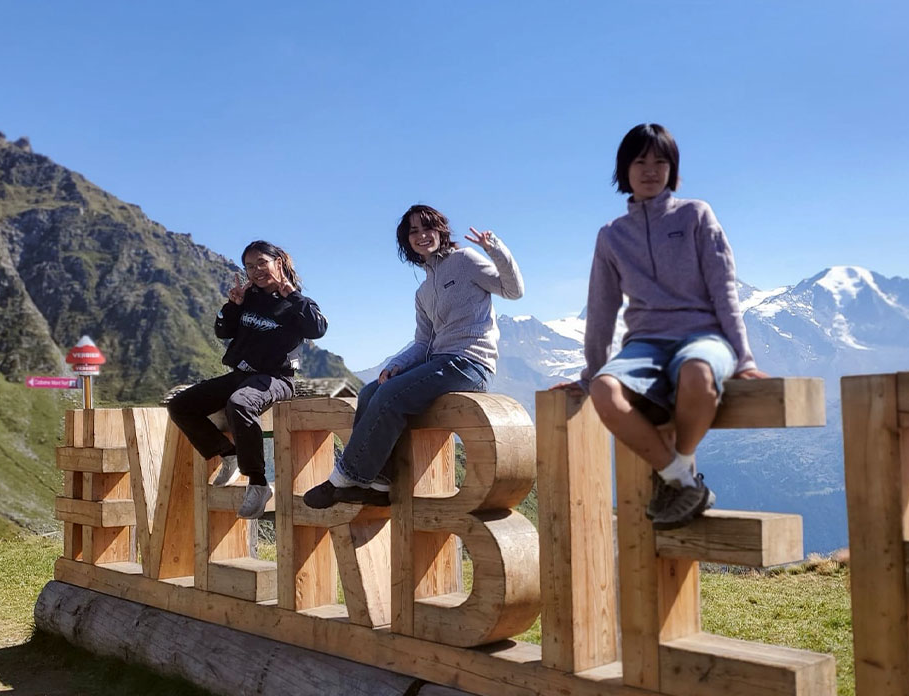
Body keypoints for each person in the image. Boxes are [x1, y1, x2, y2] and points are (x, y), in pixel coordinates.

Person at [569, 123, 766, 530]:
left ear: (673, 169)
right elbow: (601, 309)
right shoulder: (612, 236)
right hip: (645, 344)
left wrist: (743, 358)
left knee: (698, 372)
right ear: (624, 170)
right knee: (604, 388)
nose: (650, 170)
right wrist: (590, 372)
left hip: (704, 337)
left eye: (661, 161)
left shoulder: (696, 214)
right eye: (640, 161)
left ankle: (677, 472)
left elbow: (724, 288)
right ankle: (682, 480)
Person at [303, 205, 524, 508]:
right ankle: (379, 485)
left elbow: (513, 290)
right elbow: (424, 342)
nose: (422, 235)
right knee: (371, 392)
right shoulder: (422, 292)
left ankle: (341, 479)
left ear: (441, 231)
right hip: (439, 362)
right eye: (414, 231)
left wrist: (494, 248)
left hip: (471, 363)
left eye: (427, 227)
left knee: (391, 395)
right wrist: (396, 365)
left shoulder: (465, 261)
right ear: (406, 241)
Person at [168, 240, 328, 519]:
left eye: (261, 263)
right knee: (181, 404)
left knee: (239, 403)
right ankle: (227, 454)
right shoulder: (247, 298)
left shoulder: (295, 301)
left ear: (278, 263)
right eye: (249, 266)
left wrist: (290, 293)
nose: (256, 271)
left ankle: (257, 482)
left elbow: (318, 328)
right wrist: (232, 305)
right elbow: (222, 331)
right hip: (241, 375)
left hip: (277, 378)